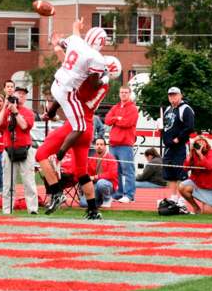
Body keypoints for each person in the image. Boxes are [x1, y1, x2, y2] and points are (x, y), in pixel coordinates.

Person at [36, 73, 110, 219]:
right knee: (82, 173)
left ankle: (57, 192)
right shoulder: (104, 86)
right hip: (88, 128)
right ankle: (93, 211)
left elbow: (61, 98)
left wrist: (50, 113)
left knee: (41, 154)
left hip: (75, 126)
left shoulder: (85, 82)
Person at [47, 17, 107, 164]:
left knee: (60, 98)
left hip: (56, 83)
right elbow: (93, 84)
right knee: (80, 127)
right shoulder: (97, 58)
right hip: (68, 90)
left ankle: (49, 113)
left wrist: (75, 28)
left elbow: (64, 42)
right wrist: (103, 79)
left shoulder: (76, 40)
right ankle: (58, 157)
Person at [0, 86, 38, 215]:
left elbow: (24, 126)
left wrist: (15, 112)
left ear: (25, 98)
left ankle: (32, 210)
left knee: (29, 182)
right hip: (9, 150)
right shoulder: (6, 110)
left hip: (25, 149)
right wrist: (5, 107)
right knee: (8, 183)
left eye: (23, 94)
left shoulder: (28, 112)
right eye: (18, 93)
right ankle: (7, 210)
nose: (20, 96)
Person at [104, 85, 139, 203]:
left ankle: (129, 195)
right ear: (119, 94)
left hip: (125, 143)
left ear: (129, 94)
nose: (123, 94)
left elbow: (128, 123)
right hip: (113, 143)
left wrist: (116, 119)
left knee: (127, 170)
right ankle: (118, 193)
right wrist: (117, 118)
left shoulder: (133, 108)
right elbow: (107, 120)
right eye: (121, 92)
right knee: (116, 170)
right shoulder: (115, 107)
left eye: (125, 92)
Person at [162, 87, 195, 202]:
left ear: (180, 95)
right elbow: (166, 126)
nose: (172, 97)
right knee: (170, 173)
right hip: (169, 147)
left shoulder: (185, 109)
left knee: (182, 171)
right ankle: (174, 196)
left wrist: (178, 139)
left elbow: (189, 127)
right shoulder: (168, 109)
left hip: (180, 146)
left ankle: (183, 197)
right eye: (170, 95)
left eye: (175, 95)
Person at [179, 136, 212, 214]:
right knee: (182, 187)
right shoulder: (193, 153)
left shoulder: (211, 153)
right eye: (198, 143)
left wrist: (200, 155)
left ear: (206, 144)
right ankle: (196, 208)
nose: (201, 146)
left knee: (208, 213)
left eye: (203, 143)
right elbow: (185, 168)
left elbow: (210, 166)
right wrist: (190, 155)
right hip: (198, 183)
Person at [82, 137, 118, 209]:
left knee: (101, 183)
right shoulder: (92, 158)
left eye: (101, 144)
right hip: (95, 184)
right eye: (97, 144)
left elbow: (112, 174)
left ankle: (107, 199)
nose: (99, 146)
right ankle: (99, 201)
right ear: (94, 146)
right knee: (83, 203)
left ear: (105, 146)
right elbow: (88, 173)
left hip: (108, 184)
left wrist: (96, 177)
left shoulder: (111, 158)